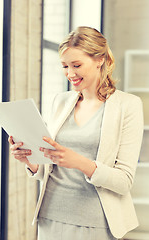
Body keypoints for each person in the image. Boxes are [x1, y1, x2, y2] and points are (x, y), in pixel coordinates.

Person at [8, 26, 143, 240]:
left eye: (77, 65)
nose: (70, 74)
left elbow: (124, 181)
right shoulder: (60, 101)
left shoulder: (128, 106)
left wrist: (79, 162)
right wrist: (30, 161)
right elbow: (50, 168)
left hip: (96, 222)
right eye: (65, 66)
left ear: (100, 60)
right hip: (50, 217)